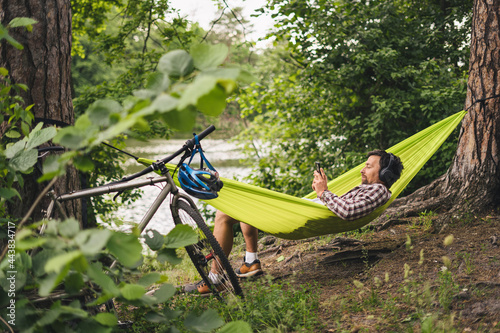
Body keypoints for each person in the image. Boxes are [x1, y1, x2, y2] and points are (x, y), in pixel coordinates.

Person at [190, 150, 403, 294]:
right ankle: (251, 262)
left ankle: (216, 279)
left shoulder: (378, 190)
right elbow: (343, 205)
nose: (361, 170)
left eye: (368, 166)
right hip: (304, 211)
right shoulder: (370, 189)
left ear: (383, 173)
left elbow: (347, 212)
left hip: (301, 217)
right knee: (246, 207)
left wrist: (323, 192)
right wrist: (323, 192)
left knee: (225, 214)